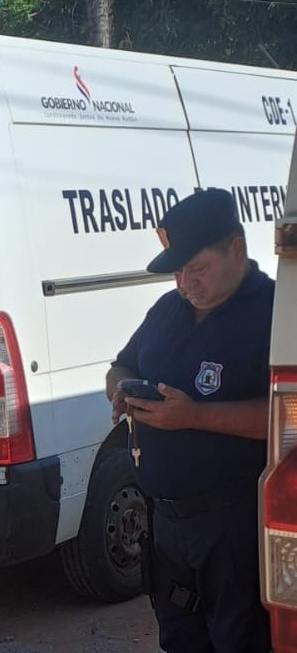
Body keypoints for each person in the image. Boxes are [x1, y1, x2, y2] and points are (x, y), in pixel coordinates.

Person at [106, 188, 272, 653]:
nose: (186, 283)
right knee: (180, 639)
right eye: (178, 272)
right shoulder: (168, 311)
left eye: (197, 268)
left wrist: (195, 416)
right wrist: (119, 390)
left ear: (236, 249)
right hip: (165, 524)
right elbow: (120, 365)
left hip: (234, 523)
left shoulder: (276, 314)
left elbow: (288, 415)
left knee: (240, 640)